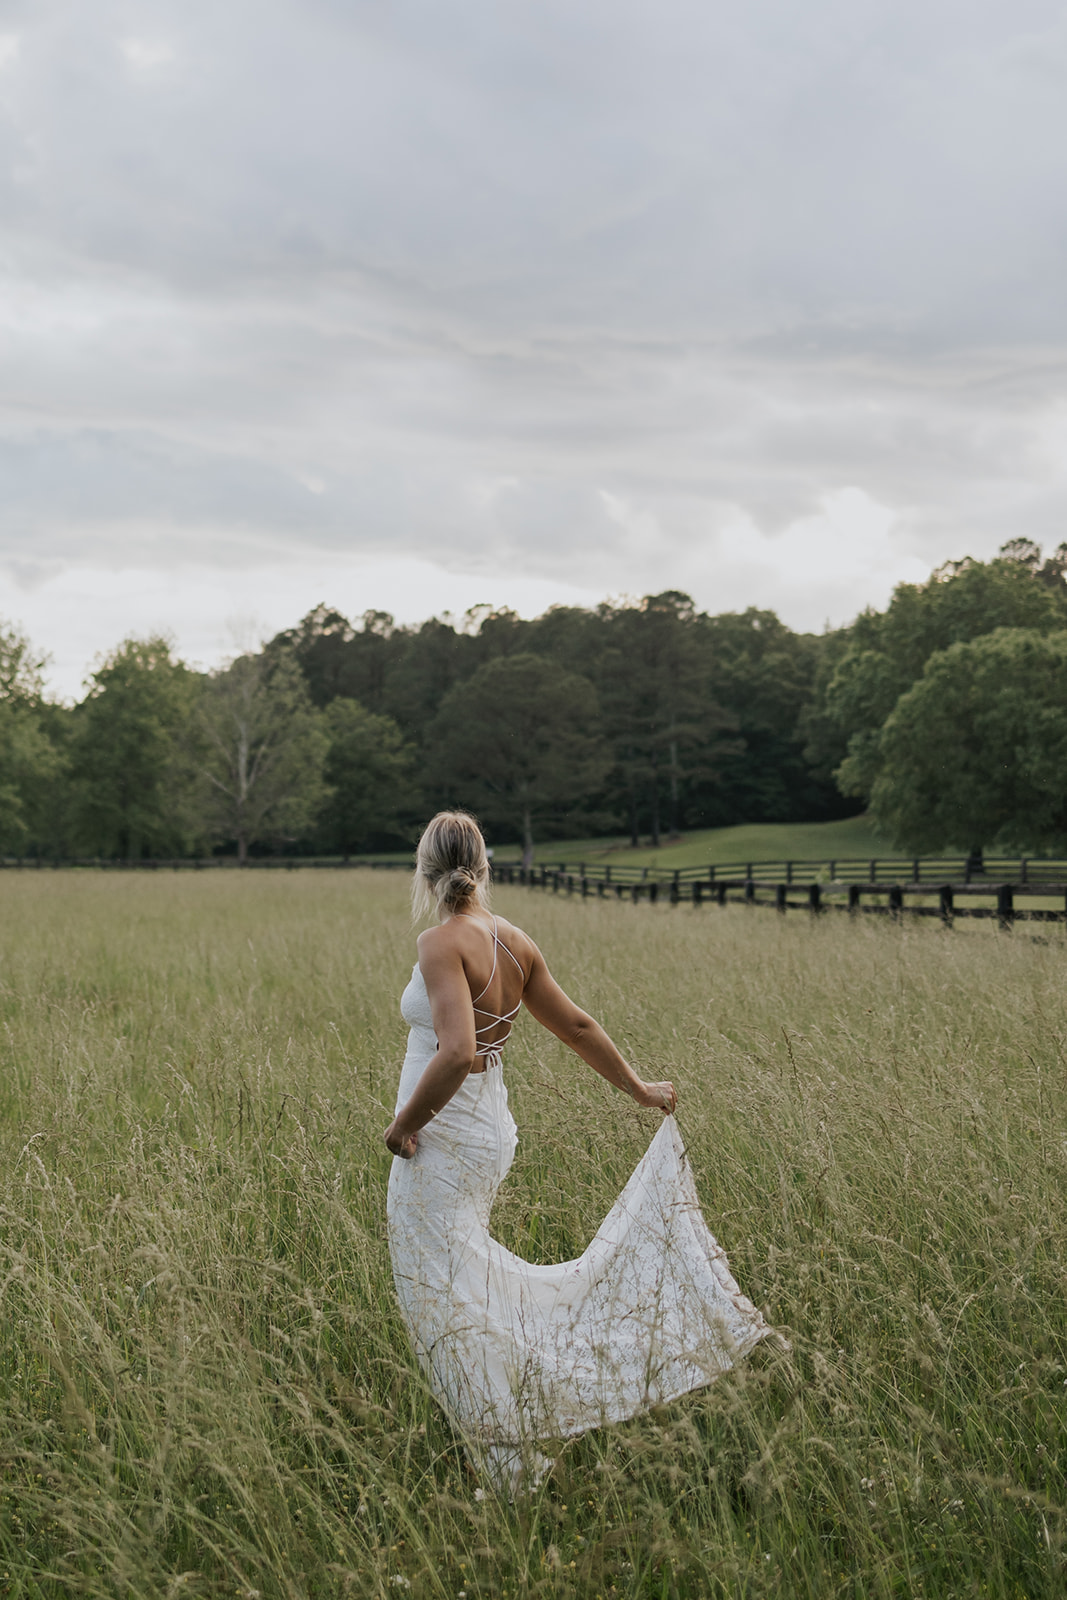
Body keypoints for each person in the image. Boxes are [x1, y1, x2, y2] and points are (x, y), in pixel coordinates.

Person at [384, 811, 771, 1491]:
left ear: (425, 868)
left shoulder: (440, 944)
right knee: (462, 1282)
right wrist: (638, 1088)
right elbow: (576, 1024)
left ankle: (507, 1452)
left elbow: (455, 1051)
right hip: (487, 1130)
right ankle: (506, 1433)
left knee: (436, 1293)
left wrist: (402, 1126)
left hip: (442, 1134)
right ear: (482, 865)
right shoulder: (513, 941)